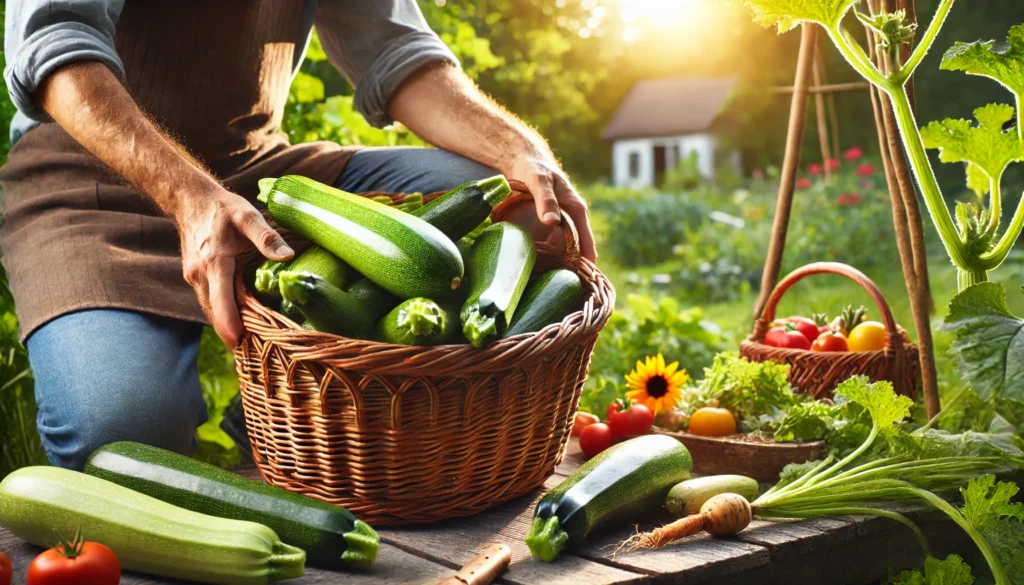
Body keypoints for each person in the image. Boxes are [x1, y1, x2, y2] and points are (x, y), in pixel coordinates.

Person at [0, 0, 596, 470]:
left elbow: (398, 52)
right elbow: (56, 48)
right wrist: (191, 197)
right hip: (87, 183)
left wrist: (521, 152)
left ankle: (270, 426)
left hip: (264, 173)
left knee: (515, 208)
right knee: (125, 443)